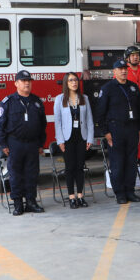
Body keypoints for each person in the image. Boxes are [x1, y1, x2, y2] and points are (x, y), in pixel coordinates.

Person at [0, 70, 47, 215]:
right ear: (16, 83)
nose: (27, 83)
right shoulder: (8, 102)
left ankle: (31, 202)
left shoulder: (37, 102)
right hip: (15, 143)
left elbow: (42, 125)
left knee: (32, 174)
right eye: (23, 81)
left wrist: (41, 144)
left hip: (32, 143)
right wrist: (3, 144)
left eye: (29, 81)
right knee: (16, 174)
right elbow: (0, 125)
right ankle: (18, 203)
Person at [95, 61, 140, 204]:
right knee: (118, 163)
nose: (123, 71)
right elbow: (100, 112)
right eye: (120, 69)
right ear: (114, 71)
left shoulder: (133, 87)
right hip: (116, 130)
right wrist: (106, 132)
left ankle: (130, 191)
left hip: (132, 129)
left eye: (125, 69)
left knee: (131, 163)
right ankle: (120, 193)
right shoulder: (108, 88)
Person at [54, 72, 94, 208]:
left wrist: (90, 138)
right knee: (70, 167)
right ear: (66, 83)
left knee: (80, 167)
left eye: (75, 80)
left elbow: (89, 120)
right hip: (67, 139)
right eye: (71, 80)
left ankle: (80, 196)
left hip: (81, 137)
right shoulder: (59, 99)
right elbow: (58, 122)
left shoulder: (84, 98)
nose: (74, 82)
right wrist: (60, 140)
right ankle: (71, 197)